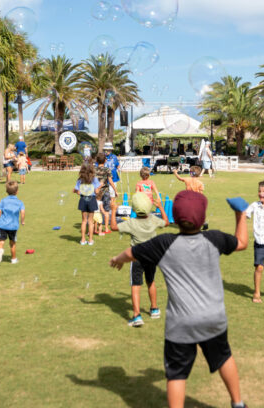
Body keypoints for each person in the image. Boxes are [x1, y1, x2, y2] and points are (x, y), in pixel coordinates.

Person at [109, 191, 249, 408]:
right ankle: (238, 404)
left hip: (180, 324)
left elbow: (130, 252)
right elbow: (241, 242)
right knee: (223, 357)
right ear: (202, 219)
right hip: (213, 317)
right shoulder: (214, 238)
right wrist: (240, 214)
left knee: (176, 374)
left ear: (175, 217)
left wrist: (116, 260)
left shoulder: (163, 243)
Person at [109, 192, 169, 327]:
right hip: (152, 257)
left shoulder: (131, 223)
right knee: (150, 281)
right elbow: (166, 222)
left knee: (136, 285)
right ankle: (154, 309)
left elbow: (113, 227)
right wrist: (160, 207)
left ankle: (136, 316)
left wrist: (113, 211)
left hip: (136, 257)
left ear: (134, 208)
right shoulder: (153, 219)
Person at [0, 181, 25, 265]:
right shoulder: (20, 202)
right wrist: (22, 221)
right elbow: (22, 212)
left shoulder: (3, 201)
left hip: (3, 225)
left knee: (1, 240)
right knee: (12, 243)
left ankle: (0, 249)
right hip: (13, 226)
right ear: (17, 191)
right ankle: (13, 259)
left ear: (6, 191)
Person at [74, 163, 101, 246]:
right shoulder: (94, 179)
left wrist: (75, 191)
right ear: (92, 170)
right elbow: (96, 192)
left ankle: (82, 240)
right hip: (92, 200)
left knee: (84, 221)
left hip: (83, 200)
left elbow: (78, 192)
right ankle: (90, 240)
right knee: (90, 221)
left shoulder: (80, 180)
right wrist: (100, 187)